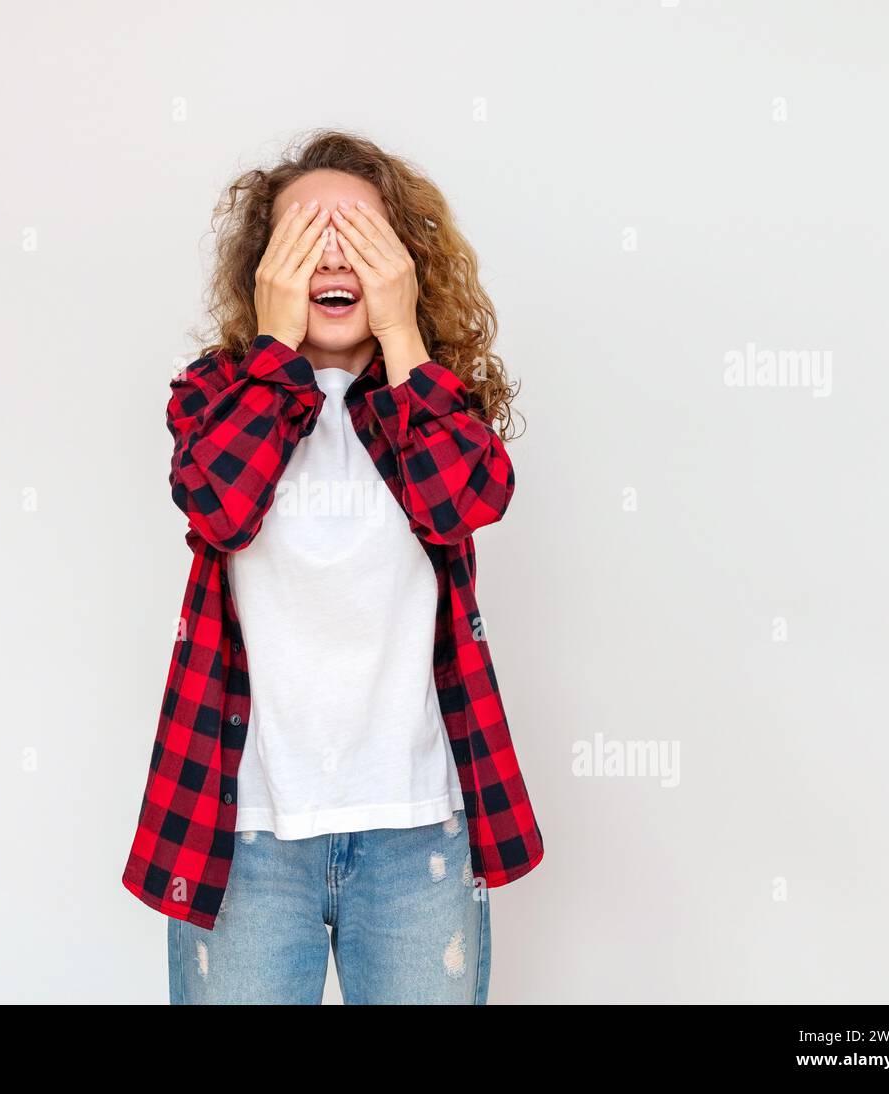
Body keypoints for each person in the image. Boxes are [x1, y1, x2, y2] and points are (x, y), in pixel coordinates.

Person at [122, 130, 544, 1004]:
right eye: (305, 239)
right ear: (264, 270)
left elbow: (468, 499)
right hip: (244, 838)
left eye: (361, 238)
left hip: (416, 835)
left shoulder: (430, 401)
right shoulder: (214, 397)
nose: (333, 258)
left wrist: (400, 332)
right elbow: (219, 507)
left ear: (407, 260)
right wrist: (278, 358)